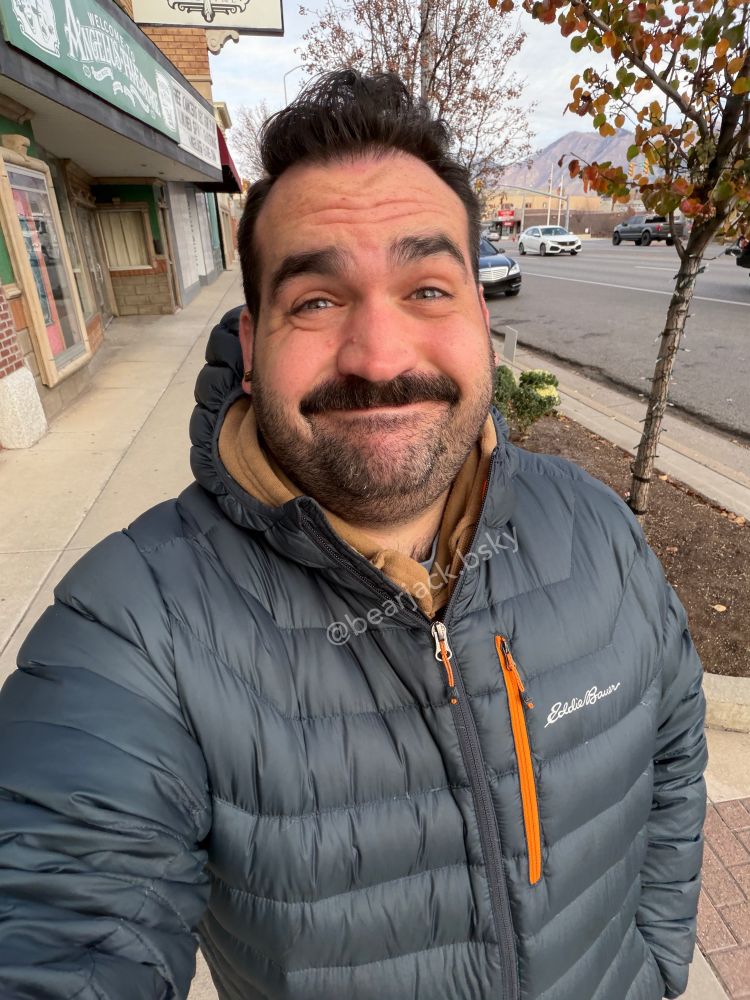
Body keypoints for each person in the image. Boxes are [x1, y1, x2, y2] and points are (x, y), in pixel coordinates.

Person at [0, 71, 706, 1000]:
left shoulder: (596, 525)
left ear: (479, 320)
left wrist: (655, 966)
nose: (379, 356)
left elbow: (675, 746)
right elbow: (59, 911)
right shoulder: (135, 629)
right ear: (251, 349)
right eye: (318, 300)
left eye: (426, 288)